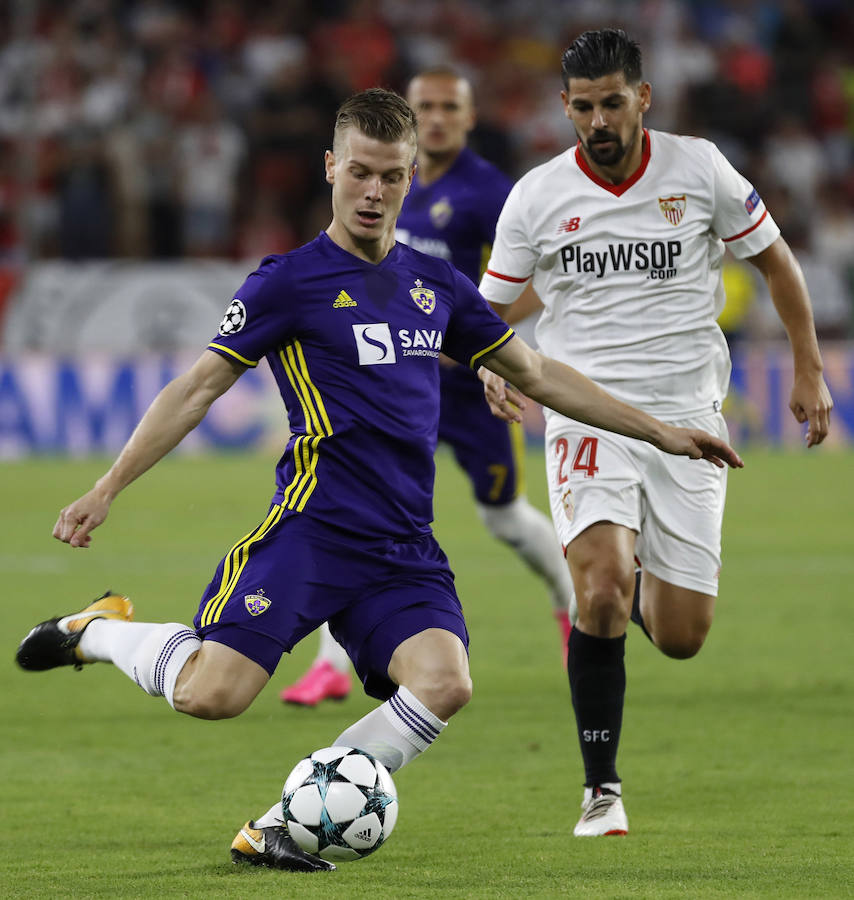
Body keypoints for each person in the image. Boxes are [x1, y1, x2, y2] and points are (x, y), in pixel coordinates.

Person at [16, 88, 742, 872]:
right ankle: (97, 631)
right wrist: (107, 487)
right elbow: (196, 388)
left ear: (408, 180)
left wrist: (663, 431)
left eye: (391, 177)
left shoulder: (435, 287)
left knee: (445, 681)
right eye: (359, 172)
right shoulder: (286, 282)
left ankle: (283, 824)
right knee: (211, 695)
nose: (374, 191)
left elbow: (536, 373)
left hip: (402, 546)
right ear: (331, 169)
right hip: (313, 531)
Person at [478, 29, 832, 838]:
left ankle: (640, 579)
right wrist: (490, 361)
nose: (598, 120)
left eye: (612, 102)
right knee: (599, 590)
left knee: (680, 636)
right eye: (582, 106)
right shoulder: (536, 196)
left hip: (690, 419)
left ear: (643, 98)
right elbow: (488, 311)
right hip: (584, 412)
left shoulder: (699, 168)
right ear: (564, 107)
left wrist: (807, 370)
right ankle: (601, 790)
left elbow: (776, 262)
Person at [280, 67, 574, 707]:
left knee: (505, 518)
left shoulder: (490, 191)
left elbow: (542, 278)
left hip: (473, 389)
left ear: (470, 119)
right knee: (355, 510)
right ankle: (331, 663)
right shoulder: (374, 180)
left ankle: (572, 608)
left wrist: (475, 341)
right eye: (426, 107)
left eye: (450, 107)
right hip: (390, 383)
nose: (437, 117)